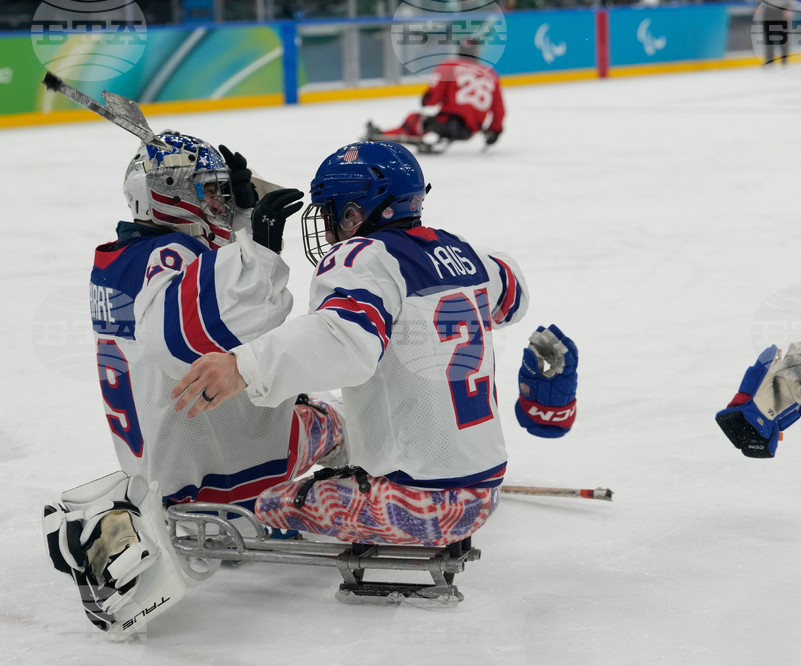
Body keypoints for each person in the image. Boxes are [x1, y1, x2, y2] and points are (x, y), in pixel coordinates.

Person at [170, 141, 577, 547]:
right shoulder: (469, 255)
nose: (328, 228)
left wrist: (244, 366)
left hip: (416, 503)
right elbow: (513, 292)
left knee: (267, 504)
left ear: (353, 213)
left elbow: (341, 339)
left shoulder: (363, 257)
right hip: (484, 494)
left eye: (332, 212)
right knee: (341, 421)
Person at [43, 131, 345, 637]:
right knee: (339, 418)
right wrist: (265, 248)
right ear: (169, 191)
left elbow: (208, 283)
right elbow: (231, 321)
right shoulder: (169, 257)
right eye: (208, 190)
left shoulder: (123, 258)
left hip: (161, 468)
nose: (219, 203)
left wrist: (243, 220)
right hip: (216, 464)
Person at [365, 41, 505, 150]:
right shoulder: (491, 74)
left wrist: (427, 99)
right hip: (470, 130)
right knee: (431, 121)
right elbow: (499, 111)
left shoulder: (450, 65)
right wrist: (494, 131)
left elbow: (432, 99)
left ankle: (382, 136)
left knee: (415, 119)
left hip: (449, 123)